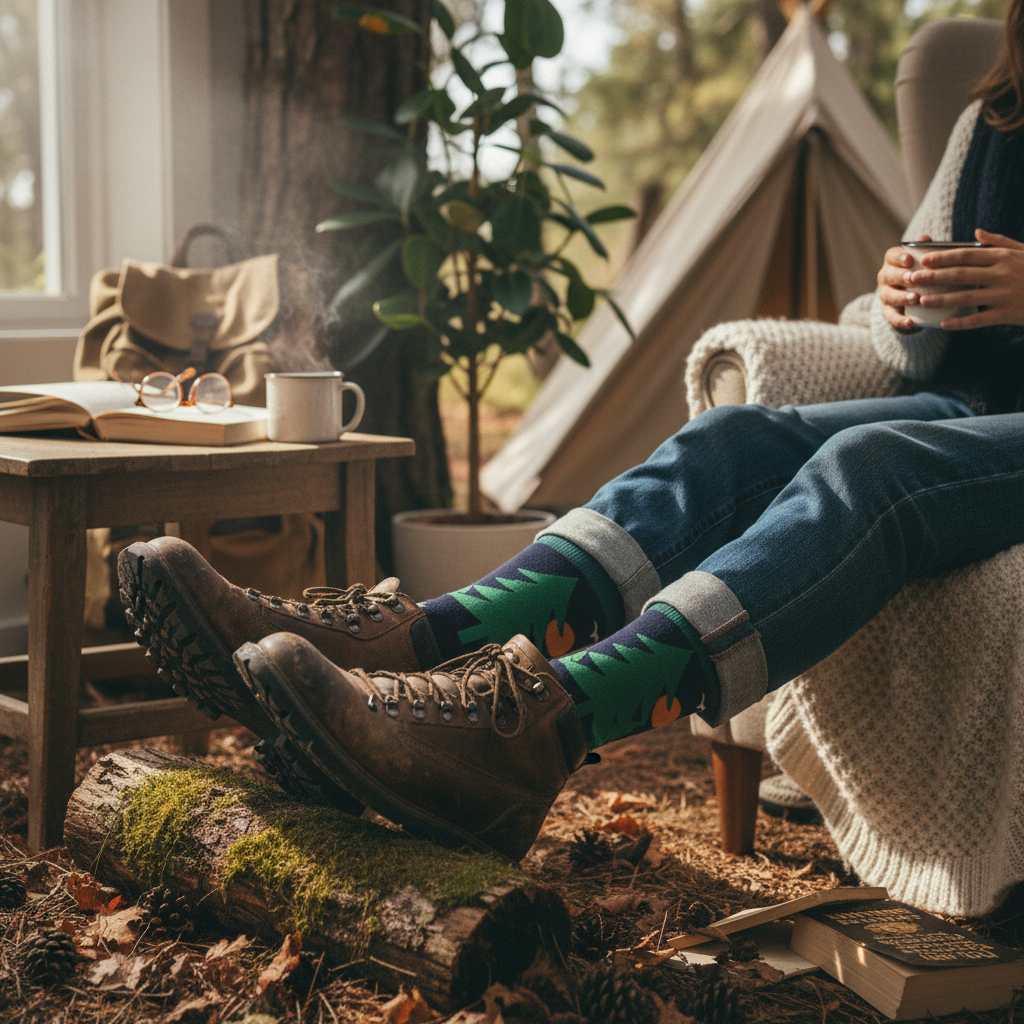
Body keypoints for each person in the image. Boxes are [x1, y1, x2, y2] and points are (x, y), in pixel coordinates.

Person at [119, 4, 1024, 863]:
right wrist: (904, 302)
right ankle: (416, 642)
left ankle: (544, 731)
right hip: (970, 408)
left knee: (867, 467)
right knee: (733, 440)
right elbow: (905, 348)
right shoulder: (991, 119)